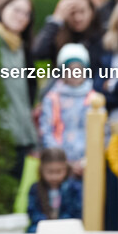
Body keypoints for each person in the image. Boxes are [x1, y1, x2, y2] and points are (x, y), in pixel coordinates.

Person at [0, 0, 37, 180]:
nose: (21, 16)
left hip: (20, 138)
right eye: (16, 10)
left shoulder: (20, 48)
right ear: (3, 9)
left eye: (26, 14)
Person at [39, 43, 98, 178]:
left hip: (88, 164)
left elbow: (102, 132)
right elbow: (46, 131)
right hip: (59, 166)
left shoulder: (94, 98)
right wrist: (62, 161)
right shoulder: (53, 98)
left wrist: (88, 160)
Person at [30, 0, 105, 68]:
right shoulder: (58, 36)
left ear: (92, 12)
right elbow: (38, 52)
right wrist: (56, 20)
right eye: (72, 12)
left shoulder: (102, 38)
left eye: (82, 12)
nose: (78, 18)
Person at [27, 147, 82, 233]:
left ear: (66, 169)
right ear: (41, 170)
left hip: (67, 228)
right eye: (50, 172)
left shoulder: (73, 187)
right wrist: (46, 224)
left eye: (59, 171)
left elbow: (76, 212)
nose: (54, 176)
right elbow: (32, 212)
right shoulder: (35, 188)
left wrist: (58, 224)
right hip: (41, 228)